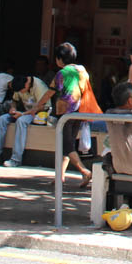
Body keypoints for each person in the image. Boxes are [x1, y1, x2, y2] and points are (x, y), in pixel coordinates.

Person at [0, 74, 50, 168]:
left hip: (37, 113)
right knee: (1, 119)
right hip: (23, 111)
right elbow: (14, 100)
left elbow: (42, 106)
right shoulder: (19, 84)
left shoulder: (39, 86)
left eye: (21, 91)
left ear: (26, 85)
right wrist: (13, 108)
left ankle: (16, 159)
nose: (20, 93)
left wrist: (23, 114)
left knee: (21, 121)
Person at [52, 43, 94, 186]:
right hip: (79, 112)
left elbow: (51, 91)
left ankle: (85, 172)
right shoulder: (82, 70)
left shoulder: (62, 73)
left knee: (68, 146)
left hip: (66, 113)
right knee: (68, 145)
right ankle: (60, 176)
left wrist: (35, 108)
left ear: (59, 59)